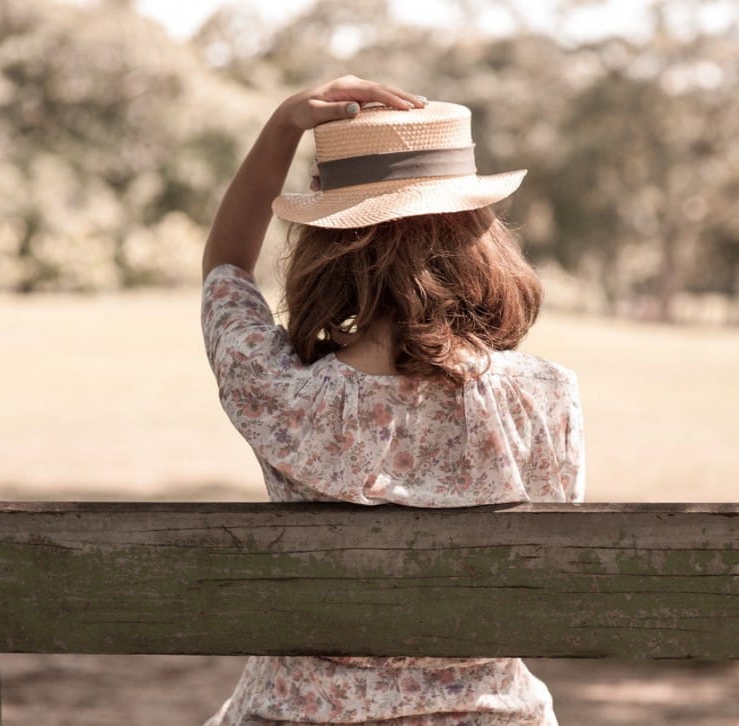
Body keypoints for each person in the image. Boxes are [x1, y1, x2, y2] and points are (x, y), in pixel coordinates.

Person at [200, 75, 585, 725]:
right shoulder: (546, 397)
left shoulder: (285, 397)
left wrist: (284, 126)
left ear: (331, 245)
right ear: (479, 235)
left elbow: (225, 269)